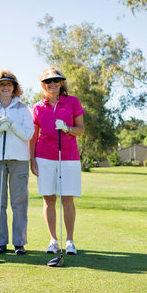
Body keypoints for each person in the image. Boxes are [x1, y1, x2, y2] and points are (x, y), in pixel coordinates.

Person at [30, 66, 85, 255]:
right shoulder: (37, 107)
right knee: (49, 198)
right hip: (44, 156)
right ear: (43, 85)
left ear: (61, 83)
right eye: (47, 81)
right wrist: (32, 160)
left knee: (67, 199)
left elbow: (80, 129)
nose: (51, 84)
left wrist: (67, 128)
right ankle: (53, 240)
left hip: (68, 157)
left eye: (55, 80)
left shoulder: (72, 102)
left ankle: (69, 240)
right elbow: (33, 137)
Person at [0, 69, 34, 255]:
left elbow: (28, 134)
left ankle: (19, 242)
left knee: (19, 202)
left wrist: (11, 124)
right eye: (1, 84)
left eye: (8, 84)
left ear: (14, 88)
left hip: (19, 159)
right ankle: (0, 242)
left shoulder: (23, 108)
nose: (5, 88)